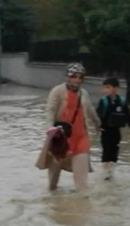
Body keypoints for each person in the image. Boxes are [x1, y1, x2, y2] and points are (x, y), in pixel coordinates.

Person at [43, 62, 100, 193]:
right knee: (53, 181)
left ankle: (83, 205)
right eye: (74, 76)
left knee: (82, 182)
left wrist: (99, 125)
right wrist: (50, 128)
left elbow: (91, 111)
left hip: (81, 138)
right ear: (68, 77)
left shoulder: (84, 93)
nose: (77, 80)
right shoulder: (57, 91)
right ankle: (53, 204)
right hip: (60, 137)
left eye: (80, 77)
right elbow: (50, 110)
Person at [96, 77, 130, 180]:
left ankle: (111, 172)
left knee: (114, 152)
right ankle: (105, 174)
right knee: (106, 151)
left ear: (116, 88)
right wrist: (98, 126)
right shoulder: (103, 101)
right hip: (105, 131)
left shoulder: (122, 101)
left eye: (108, 87)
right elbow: (97, 115)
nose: (105, 90)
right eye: (104, 87)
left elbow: (127, 115)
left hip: (116, 132)